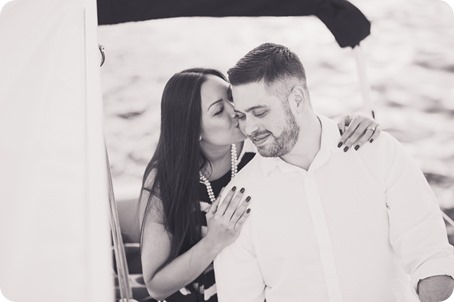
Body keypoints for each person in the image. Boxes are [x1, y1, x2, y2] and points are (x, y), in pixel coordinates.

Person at [213, 43, 454, 302]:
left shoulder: (376, 152)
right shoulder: (239, 200)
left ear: (297, 99)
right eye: (241, 116)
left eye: (259, 112)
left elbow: (429, 256)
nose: (249, 128)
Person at [138, 67, 380, 302]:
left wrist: (349, 124)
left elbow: (308, 134)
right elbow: (156, 286)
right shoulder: (167, 179)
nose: (236, 111)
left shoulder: (264, 146)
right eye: (219, 110)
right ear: (193, 131)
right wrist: (214, 241)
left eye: (231, 98)